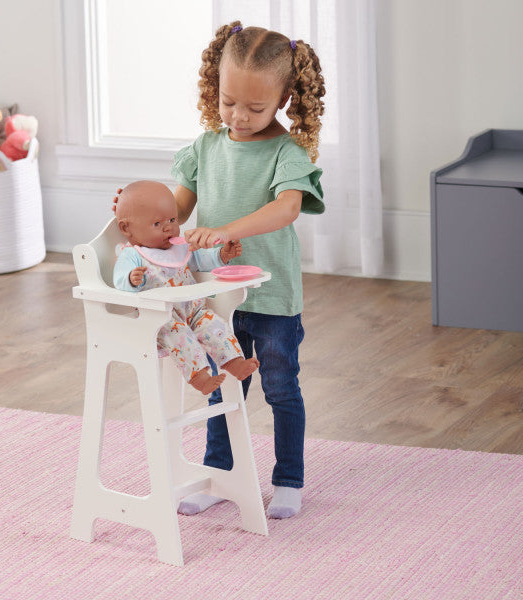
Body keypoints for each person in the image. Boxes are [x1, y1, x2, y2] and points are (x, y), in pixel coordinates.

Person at [170, 22, 326, 519]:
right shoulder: (206, 148)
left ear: (283, 97)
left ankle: (289, 479)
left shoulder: (287, 153)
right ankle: (221, 474)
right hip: (218, 298)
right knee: (223, 387)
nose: (238, 116)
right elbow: (175, 209)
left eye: (255, 108)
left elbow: (286, 209)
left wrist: (224, 229)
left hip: (273, 299)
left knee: (281, 387)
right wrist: (143, 212)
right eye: (228, 101)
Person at [113, 180, 259, 394]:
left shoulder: (178, 248)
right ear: (127, 229)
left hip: (195, 310)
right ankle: (199, 378)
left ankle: (235, 363)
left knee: (216, 325)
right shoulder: (133, 254)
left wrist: (221, 255)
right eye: (157, 224)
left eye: (172, 219)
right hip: (161, 318)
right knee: (179, 335)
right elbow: (119, 279)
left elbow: (200, 259)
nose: (168, 227)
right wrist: (131, 278)